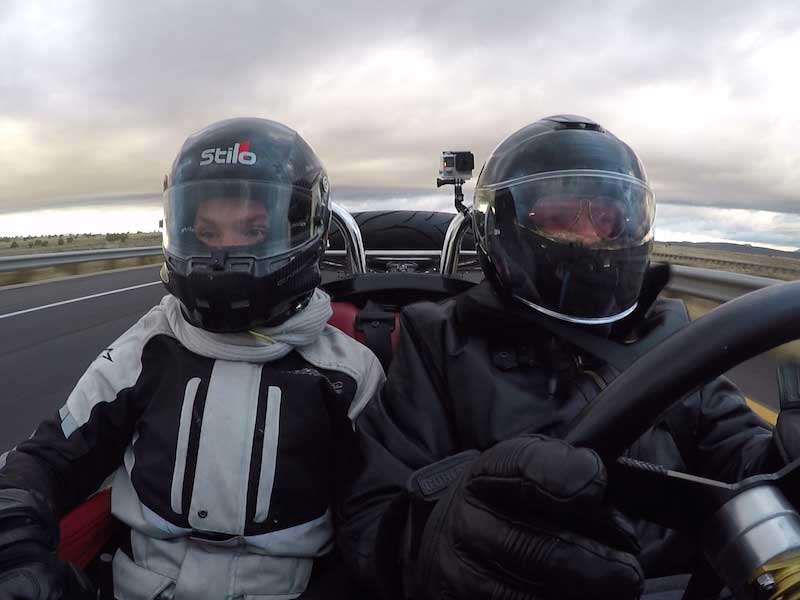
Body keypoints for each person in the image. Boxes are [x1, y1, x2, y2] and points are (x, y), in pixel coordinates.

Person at [336, 115, 789, 600]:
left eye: (607, 219)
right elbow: (371, 520)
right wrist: (443, 539)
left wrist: (786, 452)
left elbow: (745, 456)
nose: (590, 238)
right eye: (557, 217)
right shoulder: (441, 342)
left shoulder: (675, 338)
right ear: (502, 226)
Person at [0, 118, 384, 599]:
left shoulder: (348, 372)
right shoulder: (149, 346)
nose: (223, 254)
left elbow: (376, 521)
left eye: (252, 230)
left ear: (304, 230)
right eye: (206, 232)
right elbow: (50, 455)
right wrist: (15, 551)